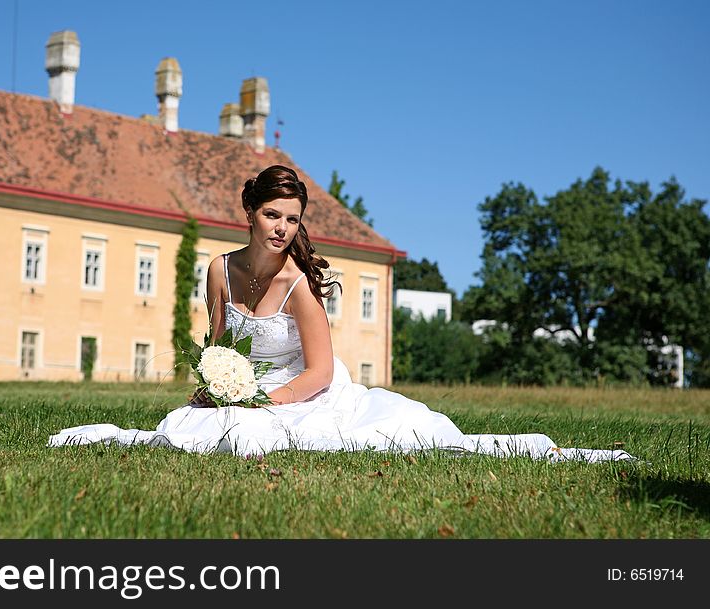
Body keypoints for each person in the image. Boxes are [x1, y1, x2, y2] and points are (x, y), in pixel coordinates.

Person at [48, 165, 633, 463]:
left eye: (293, 219)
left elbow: (320, 372)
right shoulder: (219, 271)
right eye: (273, 215)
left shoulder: (299, 285)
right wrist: (213, 387)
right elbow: (223, 346)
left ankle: (530, 447)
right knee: (186, 431)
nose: (283, 228)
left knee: (398, 436)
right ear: (250, 212)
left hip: (308, 393)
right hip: (249, 390)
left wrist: (261, 401)